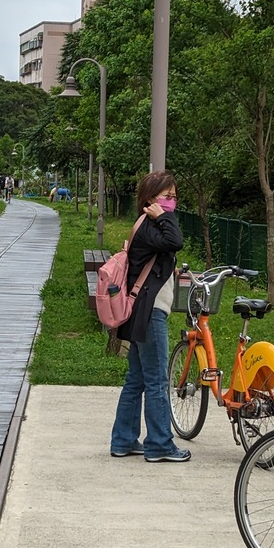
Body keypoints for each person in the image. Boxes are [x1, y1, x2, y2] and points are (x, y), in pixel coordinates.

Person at [110, 171, 191, 464]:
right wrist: (163, 217)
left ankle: (123, 440)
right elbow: (175, 240)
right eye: (166, 197)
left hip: (139, 311)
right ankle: (159, 444)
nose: (172, 202)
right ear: (150, 199)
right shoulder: (151, 226)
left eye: (174, 197)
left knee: (137, 379)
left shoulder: (145, 227)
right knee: (157, 380)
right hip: (150, 312)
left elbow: (162, 254)